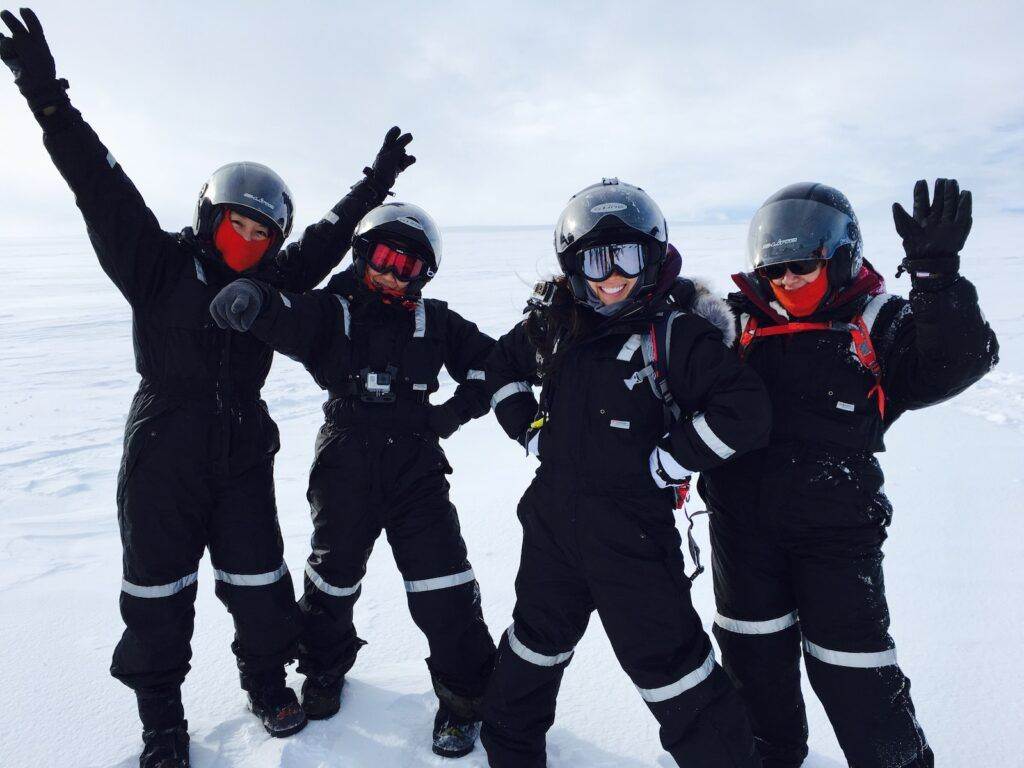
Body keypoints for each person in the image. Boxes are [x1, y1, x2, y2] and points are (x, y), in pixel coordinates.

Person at [0, 8, 415, 767]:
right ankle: (162, 721)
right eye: (238, 225)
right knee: (158, 593)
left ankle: (264, 681)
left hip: (243, 445)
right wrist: (46, 96)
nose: (250, 242)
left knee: (260, 581)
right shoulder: (156, 265)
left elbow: (325, 239)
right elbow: (99, 184)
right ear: (209, 215)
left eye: (264, 233)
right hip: (163, 443)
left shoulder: (275, 281)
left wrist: (374, 184)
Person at [700, 180, 999, 767]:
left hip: (836, 533)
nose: (787, 281)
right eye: (776, 268)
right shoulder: (735, 321)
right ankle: (772, 755)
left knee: (853, 670)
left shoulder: (876, 318)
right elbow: (665, 351)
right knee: (752, 659)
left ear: (838, 256)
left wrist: (937, 279)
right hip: (742, 531)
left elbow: (958, 360)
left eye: (802, 265)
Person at [479, 178, 772, 767]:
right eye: (595, 258)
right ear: (573, 265)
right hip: (552, 527)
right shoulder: (558, 324)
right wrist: (530, 432)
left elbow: (746, 412)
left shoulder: (676, 333)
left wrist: (672, 459)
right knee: (533, 645)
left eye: (627, 257)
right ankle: (510, 752)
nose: (611, 274)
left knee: (672, 668)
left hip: (632, 534)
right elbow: (500, 366)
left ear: (653, 257)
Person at [209, 202, 497, 758]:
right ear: (363, 254)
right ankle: (322, 671)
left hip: (417, 463)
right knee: (333, 578)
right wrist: (255, 301)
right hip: (345, 457)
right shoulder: (332, 310)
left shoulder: (436, 321)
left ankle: (464, 699)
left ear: (425, 274)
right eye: (384, 257)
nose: (392, 273)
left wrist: (451, 413)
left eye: (408, 265)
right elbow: (288, 314)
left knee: (443, 582)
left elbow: (493, 364)